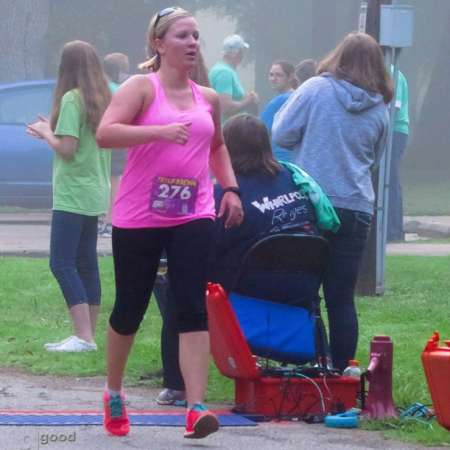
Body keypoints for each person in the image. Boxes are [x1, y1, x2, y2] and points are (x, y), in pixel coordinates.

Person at [95, 6, 243, 439]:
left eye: (196, 36)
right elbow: (106, 132)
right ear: (158, 44)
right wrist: (157, 132)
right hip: (140, 215)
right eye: (182, 36)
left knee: (191, 306)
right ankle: (114, 392)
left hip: (192, 212)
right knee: (130, 308)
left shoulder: (207, 98)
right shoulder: (141, 87)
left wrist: (230, 189)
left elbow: (217, 147)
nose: (193, 43)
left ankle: (196, 407)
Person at [156, 114, 340, 404]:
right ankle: (324, 363)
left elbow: (207, 248)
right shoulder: (294, 179)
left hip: (248, 289)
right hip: (302, 288)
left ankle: (177, 385)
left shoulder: (226, 194)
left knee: (177, 286)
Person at [273, 32, 392, 372]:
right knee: (341, 297)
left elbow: (281, 133)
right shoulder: (381, 107)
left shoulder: (315, 89)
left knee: (304, 290)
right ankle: (342, 369)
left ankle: (306, 363)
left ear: (337, 55)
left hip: (312, 201)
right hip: (357, 208)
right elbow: (375, 159)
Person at [26, 41, 112, 352]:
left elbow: (67, 148)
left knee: (61, 262)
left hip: (73, 193)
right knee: (86, 261)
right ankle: (87, 336)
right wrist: (52, 129)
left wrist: (46, 133)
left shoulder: (71, 100)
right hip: (95, 191)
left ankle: (83, 336)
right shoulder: (102, 99)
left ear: (66, 66)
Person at [99, 52, 131, 237]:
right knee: (115, 180)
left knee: (103, 180)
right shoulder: (119, 90)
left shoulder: (98, 88)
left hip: (100, 139)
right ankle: (111, 221)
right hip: (117, 139)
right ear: (119, 71)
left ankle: (100, 219)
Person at [208, 34, 258, 121]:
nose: (243, 55)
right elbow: (225, 106)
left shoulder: (225, 70)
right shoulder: (224, 73)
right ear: (236, 53)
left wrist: (245, 98)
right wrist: (247, 101)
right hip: (225, 129)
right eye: (243, 52)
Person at [387, 68, 409, 242]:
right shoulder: (382, 70)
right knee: (385, 181)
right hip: (386, 131)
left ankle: (394, 230)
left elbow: (394, 106)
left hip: (395, 131)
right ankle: (387, 229)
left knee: (391, 180)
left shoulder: (392, 72)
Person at [260, 61, 297, 162]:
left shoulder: (279, 101)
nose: (273, 79)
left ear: (290, 77)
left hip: (279, 159)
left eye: (278, 75)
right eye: (271, 75)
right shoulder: (298, 97)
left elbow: (259, 130)